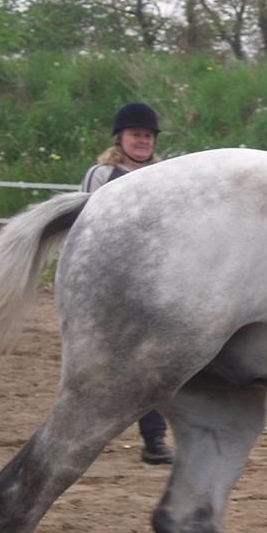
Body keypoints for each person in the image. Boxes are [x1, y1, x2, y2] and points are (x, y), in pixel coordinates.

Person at [79, 101, 174, 465]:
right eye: (136, 135)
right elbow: (86, 222)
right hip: (112, 279)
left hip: (153, 280)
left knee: (151, 362)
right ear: (120, 137)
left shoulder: (168, 174)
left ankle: (154, 438)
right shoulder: (101, 174)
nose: (143, 141)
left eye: (148, 136)